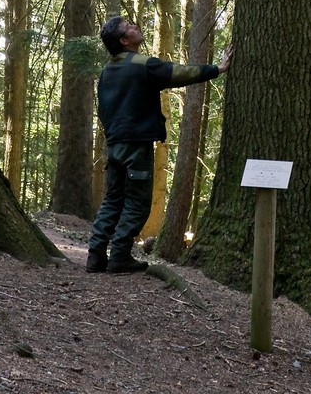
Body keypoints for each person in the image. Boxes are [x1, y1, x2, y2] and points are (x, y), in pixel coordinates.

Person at [86, 14, 232, 274]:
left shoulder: (106, 71)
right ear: (124, 40)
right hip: (136, 144)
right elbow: (178, 73)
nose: (135, 27)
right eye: (129, 27)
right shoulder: (141, 64)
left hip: (115, 143)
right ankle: (119, 256)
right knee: (137, 202)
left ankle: (95, 256)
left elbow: (103, 109)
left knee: (113, 200)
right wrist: (217, 69)